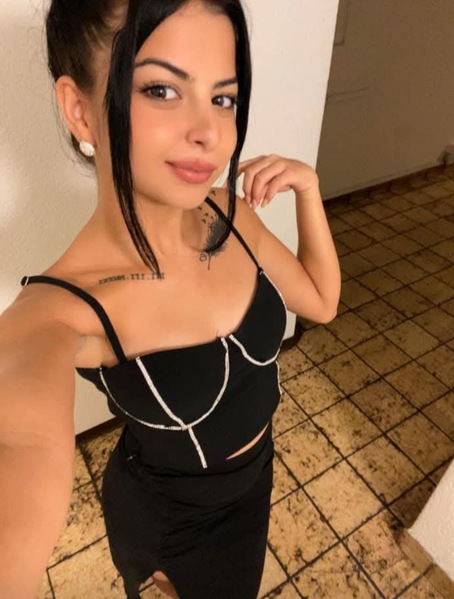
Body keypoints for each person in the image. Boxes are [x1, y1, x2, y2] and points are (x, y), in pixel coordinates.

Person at [0, 0, 341, 597]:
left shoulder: (227, 214)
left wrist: (309, 189)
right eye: (161, 90)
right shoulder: (60, 312)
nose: (210, 133)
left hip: (256, 480)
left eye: (223, 98)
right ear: (80, 110)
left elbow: (320, 303)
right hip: (174, 530)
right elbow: (18, 447)